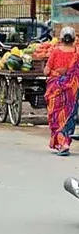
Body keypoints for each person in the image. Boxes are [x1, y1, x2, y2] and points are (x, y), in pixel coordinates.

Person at [44, 26, 79, 156]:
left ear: (61, 39)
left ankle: (61, 144)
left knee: (56, 117)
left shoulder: (55, 52)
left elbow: (46, 71)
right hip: (72, 91)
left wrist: (56, 72)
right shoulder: (77, 52)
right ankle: (66, 143)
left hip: (55, 90)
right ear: (74, 39)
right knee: (69, 116)